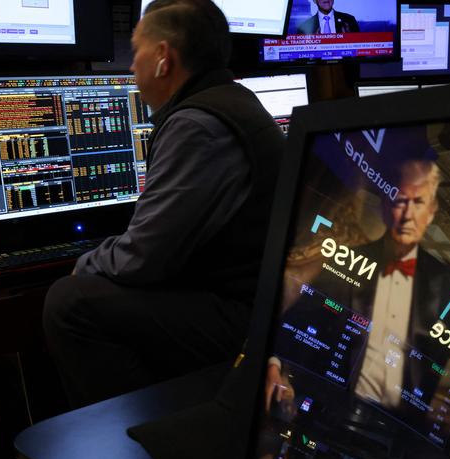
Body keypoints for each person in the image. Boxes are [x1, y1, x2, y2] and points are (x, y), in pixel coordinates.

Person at [43, 0, 285, 409]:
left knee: (70, 302)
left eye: (137, 51)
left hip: (243, 319)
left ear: (162, 58)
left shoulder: (196, 126)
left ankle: (136, 437)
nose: (131, 67)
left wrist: (86, 263)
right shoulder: (233, 99)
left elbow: (143, 256)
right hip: (262, 306)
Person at [266, 159, 450, 459]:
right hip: (319, 418)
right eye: (400, 200)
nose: (407, 213)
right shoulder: (346, 256)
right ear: (388, 205)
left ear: (431, 212)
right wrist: (273, 365)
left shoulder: (446, 288)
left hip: (392, 444)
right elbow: (291, 325)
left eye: (418, 202)